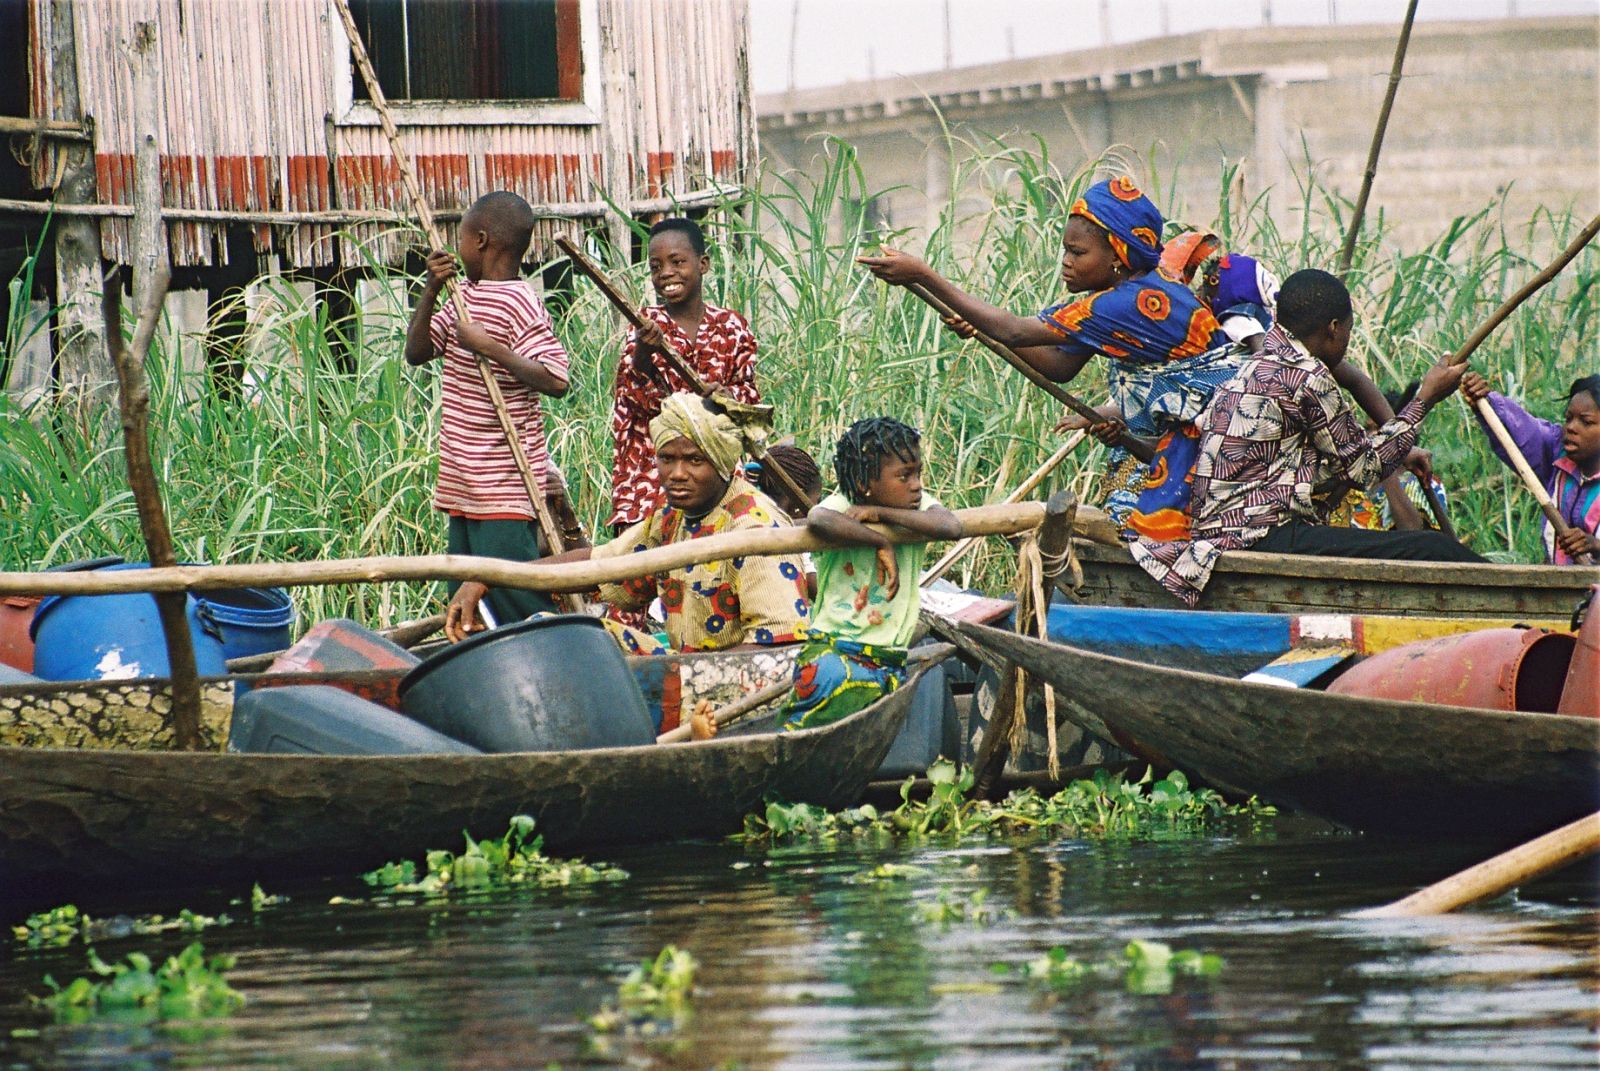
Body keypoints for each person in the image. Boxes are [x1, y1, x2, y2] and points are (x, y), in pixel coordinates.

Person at [860, 176, 1239, 541]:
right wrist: (981, 329)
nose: (1066, 262)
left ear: (1117, 254)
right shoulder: (1125, 294)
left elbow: (1014, 331)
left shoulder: (1129, 303)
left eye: (1078, 252)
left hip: (1218, 445)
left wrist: (924, 275)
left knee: (1136, 527)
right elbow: (1060, 365)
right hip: (1200, 438)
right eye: (1065, 251)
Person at [1130, 268, 1485, 607]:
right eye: (1348, 331)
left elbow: (1328, 466)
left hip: (1224, 534)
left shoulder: (1256, 365)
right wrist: (1426, 398)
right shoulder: (1307, 376)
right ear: (1334, 328)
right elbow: (1364, 469)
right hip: (1259, 536)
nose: (1346, 340)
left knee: (1423, 546)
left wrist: (1400, 447)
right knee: (1431, 548)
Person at [447, 392, 809, 654]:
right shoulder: (671, 520)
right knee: (558, 630)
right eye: (667, 459)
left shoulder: (754, 528)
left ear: (722, 463)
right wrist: (488, 579)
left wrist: (685, 677)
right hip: (685, 671)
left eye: (694, 461)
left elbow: (779, 646)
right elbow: (600, 566)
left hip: (737, 686)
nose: (677, 474)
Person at [403, 190, 571, 628]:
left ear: (480, 241)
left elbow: (556, 378)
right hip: (463, 485)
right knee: (465, 605)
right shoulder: (462, 296)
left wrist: (489, 347)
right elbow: (417, 353)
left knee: (516, 600)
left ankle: (551, 657)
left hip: (504, 487)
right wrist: (431, 290)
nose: (457, 249)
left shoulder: (520, 302)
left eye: (461, 239)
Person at [780, 417, 959, 732]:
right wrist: (879, 541)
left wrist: (881, 514)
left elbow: (951, 526)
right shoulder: (845, 504)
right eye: (904, 476)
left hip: (888, 660)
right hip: (837, 658)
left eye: (918, 473)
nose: (916, 484)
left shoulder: (915, 508)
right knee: (808, 741)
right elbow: (818, 517)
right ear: (865, 484)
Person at [609, 217, 761, 533]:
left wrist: (727, 397)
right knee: (651, 551)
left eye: (677, 262)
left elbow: (749, 397)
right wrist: (643, 352)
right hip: (653, 475)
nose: (666, 273)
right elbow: (632, 401)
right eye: (656, 267)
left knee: (726, 546)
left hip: (716, 473)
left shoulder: (731, 326)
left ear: (703, 264)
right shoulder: (645, 324)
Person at [1461, 371, 1600, 563]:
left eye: (1586, 422)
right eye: (1568, 418)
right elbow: (1521, 429)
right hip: (1558, 579)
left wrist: (1595, 545)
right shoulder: (1557, 452)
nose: (1571, 428)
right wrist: (1485, 400)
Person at [747, 443, 825, 599]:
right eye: (817, 500)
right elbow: (821, 593)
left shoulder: (747, 520)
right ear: (798, 497)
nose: (818, 506)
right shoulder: (788, 538)